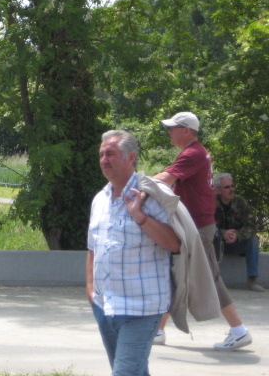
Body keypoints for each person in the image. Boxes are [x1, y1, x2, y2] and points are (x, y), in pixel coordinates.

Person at [153, 111, 252, 350]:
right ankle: (157, 331)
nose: (169, 131)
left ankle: (239, 330)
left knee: (210, 278)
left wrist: (133, 184)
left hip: (197, 228)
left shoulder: (193, 154)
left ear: (186, 130)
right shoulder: (194, 153)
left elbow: (165, 178)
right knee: (176, 276)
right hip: (193, 226)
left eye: (173, 128)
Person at [87, 130, 180, 376]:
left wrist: (140, 216)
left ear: (131, 158)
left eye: (111, 154)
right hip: (104, 305)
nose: (104, 160)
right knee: (135, 371)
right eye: (102, 154)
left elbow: (175, 244)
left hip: (142, 308)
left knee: (124, 372)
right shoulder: (100, 199)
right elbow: (92, 248)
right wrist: (90, 290)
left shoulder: (153, 196)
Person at [214, 173, 264, 292]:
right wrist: (222, 233)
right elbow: (205, 226)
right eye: (227, 187)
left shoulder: (240, 202)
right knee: (207, 239)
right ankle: (211, 281)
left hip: (237, 243)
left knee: (253, 240)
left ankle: (252, 280)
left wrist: (237, 235)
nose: (231, 189)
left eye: (232, 186)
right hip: (217, 244)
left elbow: (251, 225)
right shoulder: (211, 204)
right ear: (218, 190)